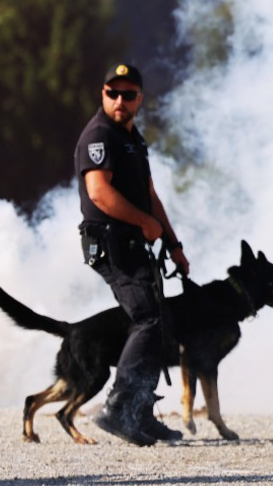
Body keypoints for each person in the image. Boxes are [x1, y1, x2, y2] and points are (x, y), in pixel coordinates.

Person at [74, 63, 191, 446]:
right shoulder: (100, 135)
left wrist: (173, 245)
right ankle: (119, 409)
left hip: (133, 242)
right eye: (113, 93)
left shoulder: (132, 138)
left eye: (128, 94)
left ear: (140, 98)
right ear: (102, 94)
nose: (120, 101)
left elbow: (150, 193)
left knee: (156, 319)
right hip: (111, 242)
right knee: (147, 319)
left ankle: (139, 412)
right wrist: (144, 222)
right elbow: (99, 193)